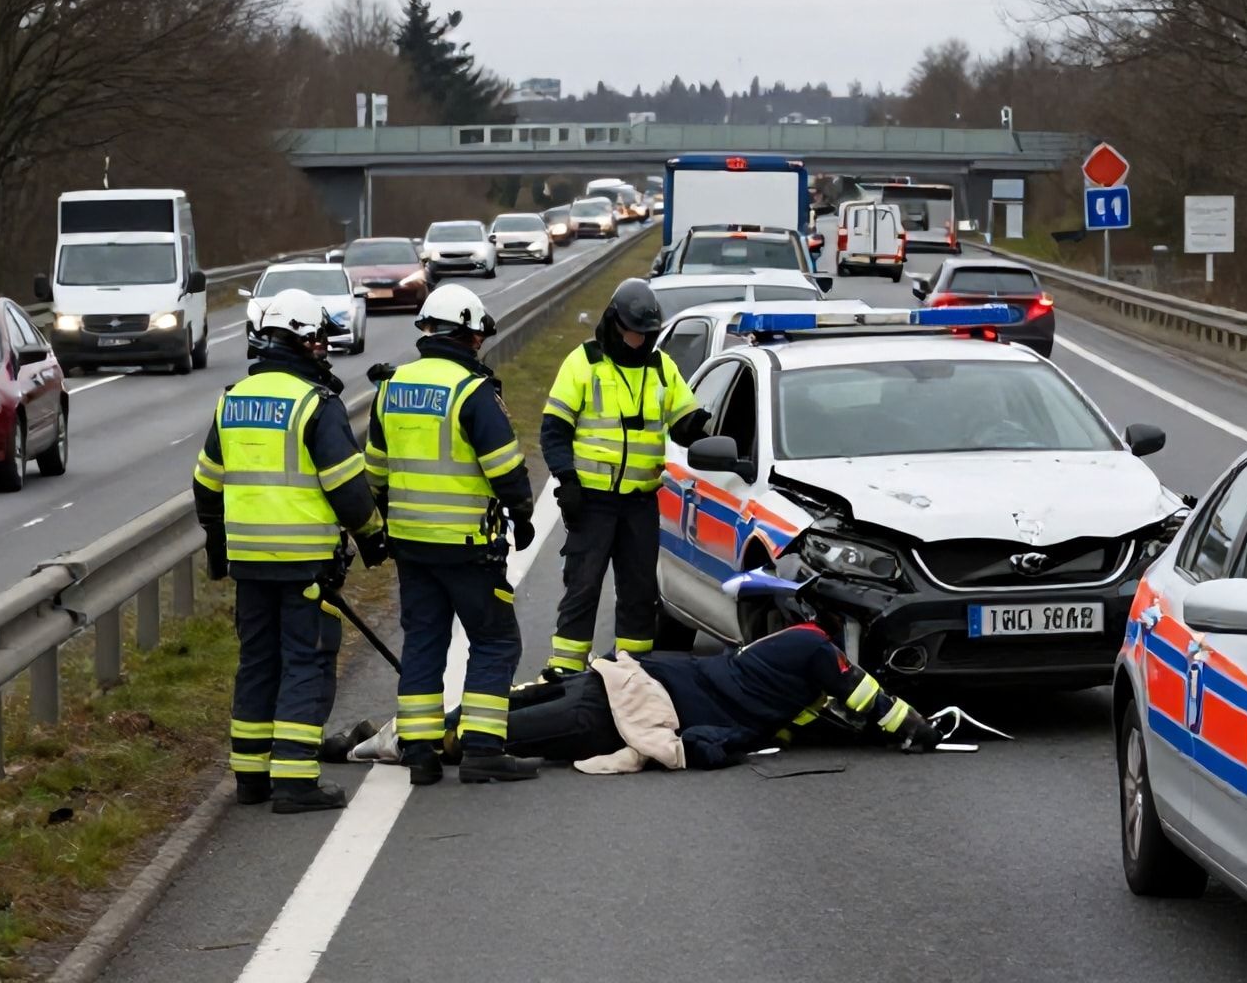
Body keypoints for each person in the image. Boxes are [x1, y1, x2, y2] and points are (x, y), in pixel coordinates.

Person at [323, 570, 945, 770]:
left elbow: (808, 718)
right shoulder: (808, 649)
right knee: (499, 731)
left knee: (496, 714)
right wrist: (910, 724)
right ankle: (384, 745)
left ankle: (372, 740)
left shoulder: (778, 674)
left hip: (619, 688)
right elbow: (855, 692)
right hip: (621, 709)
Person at [192, 288, 388, 814]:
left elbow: (206, 482)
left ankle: (251, 778)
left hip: (249, 564)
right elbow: (347, 485)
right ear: (304, 341)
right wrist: (373, 536)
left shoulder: (232, 399)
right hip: (305, 563)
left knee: (257, 662)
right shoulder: (315, 405)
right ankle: (297, 779)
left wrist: (217, 544)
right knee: (306, 662)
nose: (324, 350)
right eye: (320, 340)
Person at [364, 283, 542, 786]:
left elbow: (375, 470)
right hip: (468, 547)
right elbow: (505, 465)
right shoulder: (472, 390)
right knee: (494, 640)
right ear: (469, 335)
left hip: (411, 545)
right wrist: (522, 514)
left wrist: (384, 521)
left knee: (423, 640)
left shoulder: (392, 387)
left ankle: (419, 752)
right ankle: (483, 748)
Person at [540, 279, 710, 674]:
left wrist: (702, 424)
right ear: (615, 323)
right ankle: (566, 672)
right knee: (582, 588)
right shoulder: (582, 363)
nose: (641, 341)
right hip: (592, 502)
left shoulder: (662, 367)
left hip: (639, 504)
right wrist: (566, 481)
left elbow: (683, 420)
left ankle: (633, 673)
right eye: (636, 332)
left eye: (648, 334)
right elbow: (554, 430)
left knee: (639, 594)